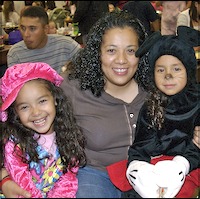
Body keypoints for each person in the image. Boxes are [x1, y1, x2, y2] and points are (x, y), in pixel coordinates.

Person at [1, 11, 200, 198]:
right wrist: (4, 178)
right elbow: (19, 127)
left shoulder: (161, 85)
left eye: (130, 50)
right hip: (97, 175)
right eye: (111, 50)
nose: (121, 60)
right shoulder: (73, 89)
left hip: (155, 171)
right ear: (97, 53)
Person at [124, 26, 200, 198]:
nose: (168, 76)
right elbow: (141, 145)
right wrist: (139, 168)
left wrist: (181, 165)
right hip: (156, 164)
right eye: (160, 70)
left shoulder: (197, 102)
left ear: (188, 70)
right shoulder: (152, 105)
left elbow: (196, 147)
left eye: (176, 69)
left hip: (190, 166)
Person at [0, 62, 86, 198]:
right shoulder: (15, 144)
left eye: (42, 101)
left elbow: (67, 178)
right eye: (24, 107)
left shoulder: (67, 134)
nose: (36, 112)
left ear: (55, 99)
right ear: (15, 112)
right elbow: (24, 187)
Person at [7, 6, 81, 73]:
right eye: (23, 28)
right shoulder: (15, 54)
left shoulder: (67, 45)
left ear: (46, 29)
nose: (26, 34)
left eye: (32, 29)